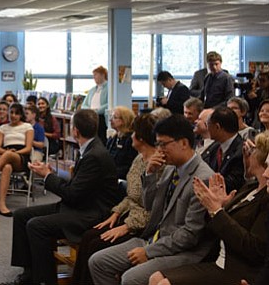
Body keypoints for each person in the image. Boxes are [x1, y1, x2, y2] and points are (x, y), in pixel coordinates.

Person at [88, 115, 215, 285]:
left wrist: (149, 251)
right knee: (98, 262)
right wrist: (150, 175)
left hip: (182, 252)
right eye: (158, 144)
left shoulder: (202, 178)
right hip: (155, 238)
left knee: (130, 278)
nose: (159, 150)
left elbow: (189, 235)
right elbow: (149, 207)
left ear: (184, 143)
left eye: (163, 144)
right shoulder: (171, 168)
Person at [0, 109, 119, 285]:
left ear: (75, 131)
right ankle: (29, 275)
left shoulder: (94, 155)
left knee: (36, 226)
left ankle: (45, 280)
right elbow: (79, 186)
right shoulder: (90, 148)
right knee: (21, 215)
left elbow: (73, 195)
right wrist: (51, 172)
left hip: (89, 213)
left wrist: (47, 176)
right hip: (80, 205)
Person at [148, 132, 269, 285]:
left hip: (238, 269)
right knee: (155, 277)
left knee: (162, 283)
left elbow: (254, 250)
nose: (247, 155)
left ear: (261, 159)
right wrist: (220, 207)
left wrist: (217, 211)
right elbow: (219, 224)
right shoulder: (250, 187)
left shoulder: (265, 198)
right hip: (218, 258)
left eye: (252, 152)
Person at [71, 113, 160, 285]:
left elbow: (155, 208)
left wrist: (127, 226)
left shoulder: (158, 165)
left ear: (141, 138)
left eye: (133, 133)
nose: (130, 136)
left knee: (96, 244)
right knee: (89, 236)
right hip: (129, 217)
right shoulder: (139, 158)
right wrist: (116, 212)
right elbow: (132, 196)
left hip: (143, 226)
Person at [202, 106, 245, 194]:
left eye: (208, 125)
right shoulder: (215, 146)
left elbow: (231, 184)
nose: (207, 128)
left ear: (217, 127)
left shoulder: (241, 152)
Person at [107, 106, 138, 181]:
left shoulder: (131, 140)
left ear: (124, 120)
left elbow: (130, 166)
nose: (110, 120)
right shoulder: (113, 139)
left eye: (114, 117)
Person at [81, 65, 109, 144]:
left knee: (101, 138)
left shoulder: (109, 88)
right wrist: (89, 111)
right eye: (93, 75)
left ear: (103, 75)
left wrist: (97, 111)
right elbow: (84, 104)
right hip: (91, 117)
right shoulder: (92, 90)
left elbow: (109, 104)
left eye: (96, 75)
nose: (94, 77)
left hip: (101, 117)